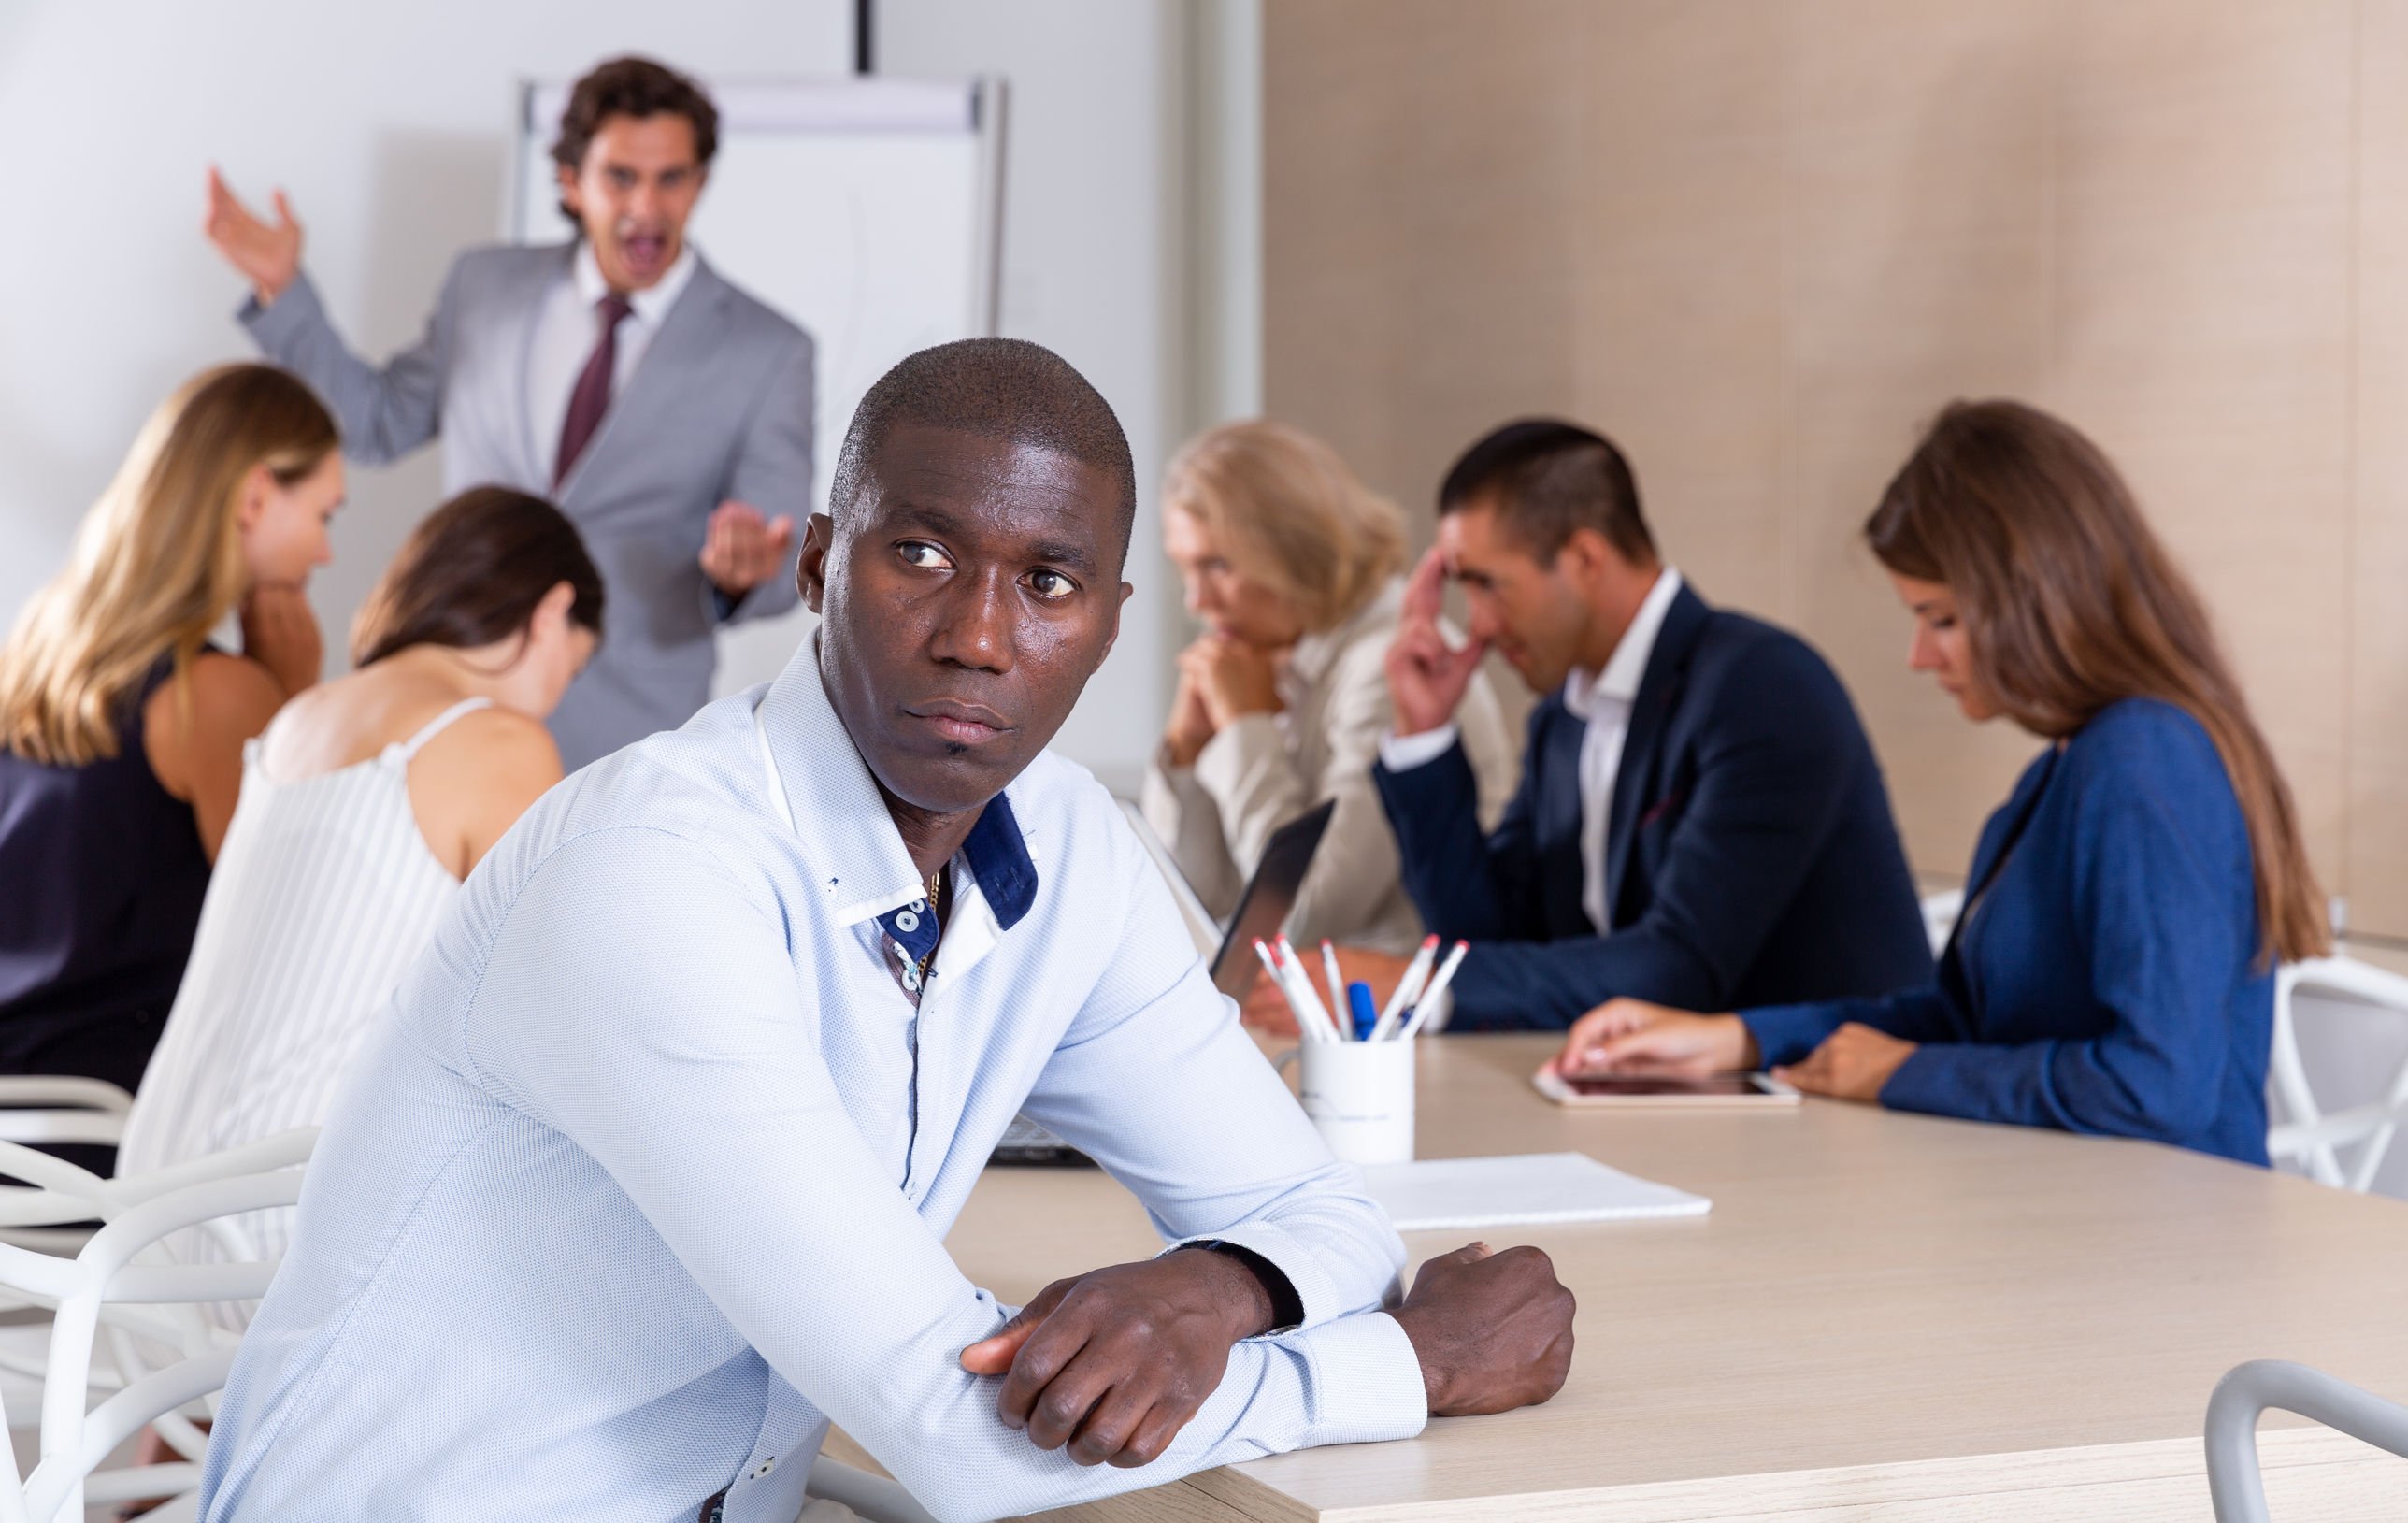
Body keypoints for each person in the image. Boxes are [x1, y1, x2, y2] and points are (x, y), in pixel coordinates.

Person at [196, 339, 1574, 1523]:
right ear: (814, 564)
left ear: (1108, 625)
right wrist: (1413, 1363)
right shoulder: (657, 873)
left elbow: (1319, 1213)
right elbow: (954, 1430)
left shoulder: (1076, 858)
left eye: (1048, 583)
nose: (979, 636)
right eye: (920, 553)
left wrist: (1216, 1287)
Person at [1551, 400, 2325, 1166]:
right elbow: (1963, 1020)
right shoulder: (2062, 773)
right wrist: (1739, 1038)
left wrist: (1899, 1074)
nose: (1921, 656)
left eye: (1942, 618)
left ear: (2037, 596)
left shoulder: (2143, 759)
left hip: (2171, 1257)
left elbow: (2158, 1086)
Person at [204, 54, 813, 769]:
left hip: (629, 728)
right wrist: (285, 290)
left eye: (671, 178)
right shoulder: (484, 287)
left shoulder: (768, 349)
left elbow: (779, 564)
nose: (647, 207)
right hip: (452, 688)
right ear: (570, 181)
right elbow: (378, 423)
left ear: (700, 182)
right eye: (621, 176)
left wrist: (743, 572)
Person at [118, 487, 602, 1262]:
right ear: (551, 611)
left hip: (145, 1200)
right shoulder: (495, 740)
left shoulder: (299, 717)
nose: (552, 702)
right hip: (279, 1222)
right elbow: (559, 1014)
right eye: (566, 672)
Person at [1330, 419, 1931, 1032]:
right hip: (1666, 1094)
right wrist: (1424, 734)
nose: (1477, 624)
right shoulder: (1562, 720)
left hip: (1829, 1102)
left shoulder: (1763, 685)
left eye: (1487, 584)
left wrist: (1423, 985)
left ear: (1586, 558)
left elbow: (1681, 963)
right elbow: (1488, 940)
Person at [0, 364, 339, 1112]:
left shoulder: (35, 653)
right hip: (114, 1136)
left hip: (19, 1143)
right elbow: (300, 932)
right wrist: (296, 701)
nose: (326, 554)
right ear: (254, 497)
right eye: (324, 515)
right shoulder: (215, 694)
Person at [1141, 420, 1516, 955]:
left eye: (1217, 565)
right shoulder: (1273, 654)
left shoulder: (1388, 664)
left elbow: (1302, 914)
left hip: (1407, 1021)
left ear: (1293, 547)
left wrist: (1246, 730)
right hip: (1318, 1011)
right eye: (1185, 570)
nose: (1196, 602)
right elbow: (1192, 902)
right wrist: (1187, 750)